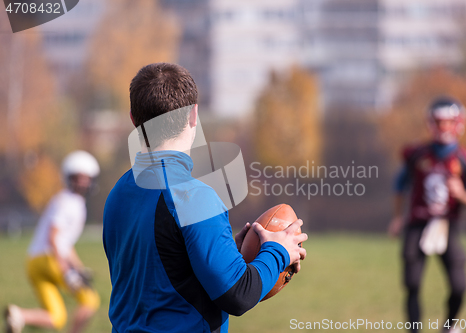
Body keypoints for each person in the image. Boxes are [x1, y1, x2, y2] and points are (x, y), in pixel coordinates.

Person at [102, 62, 307, 333]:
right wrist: (279, 252)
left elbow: (162, 268)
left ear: (133, 119)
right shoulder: (194, 198)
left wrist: (227, 252)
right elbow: (238, 295)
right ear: (193, 116)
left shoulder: (118, 192)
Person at [388, 97, 466, 333]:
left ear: (458, 123)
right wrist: (397, 217)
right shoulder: (416, 154)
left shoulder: (465, 159)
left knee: (459, 285)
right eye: (438, 122)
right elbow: (399, 184)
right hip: (418, 223)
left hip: (447, 225)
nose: (443, 127)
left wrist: (461, 194)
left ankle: (449, 327)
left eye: (447, 122)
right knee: (411, 283)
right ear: (430, 123)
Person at [4, 151, 101, 333]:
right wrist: (67, 272)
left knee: (56, 318)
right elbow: (54, 238)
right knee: (90, 300)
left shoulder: (64, 200)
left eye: (85, 178)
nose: (83, 182)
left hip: (34, 261)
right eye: (79, 178)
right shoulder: (69, 202)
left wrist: (78, 268)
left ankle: (18, 315)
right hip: (48, 259)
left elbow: (65, 243)